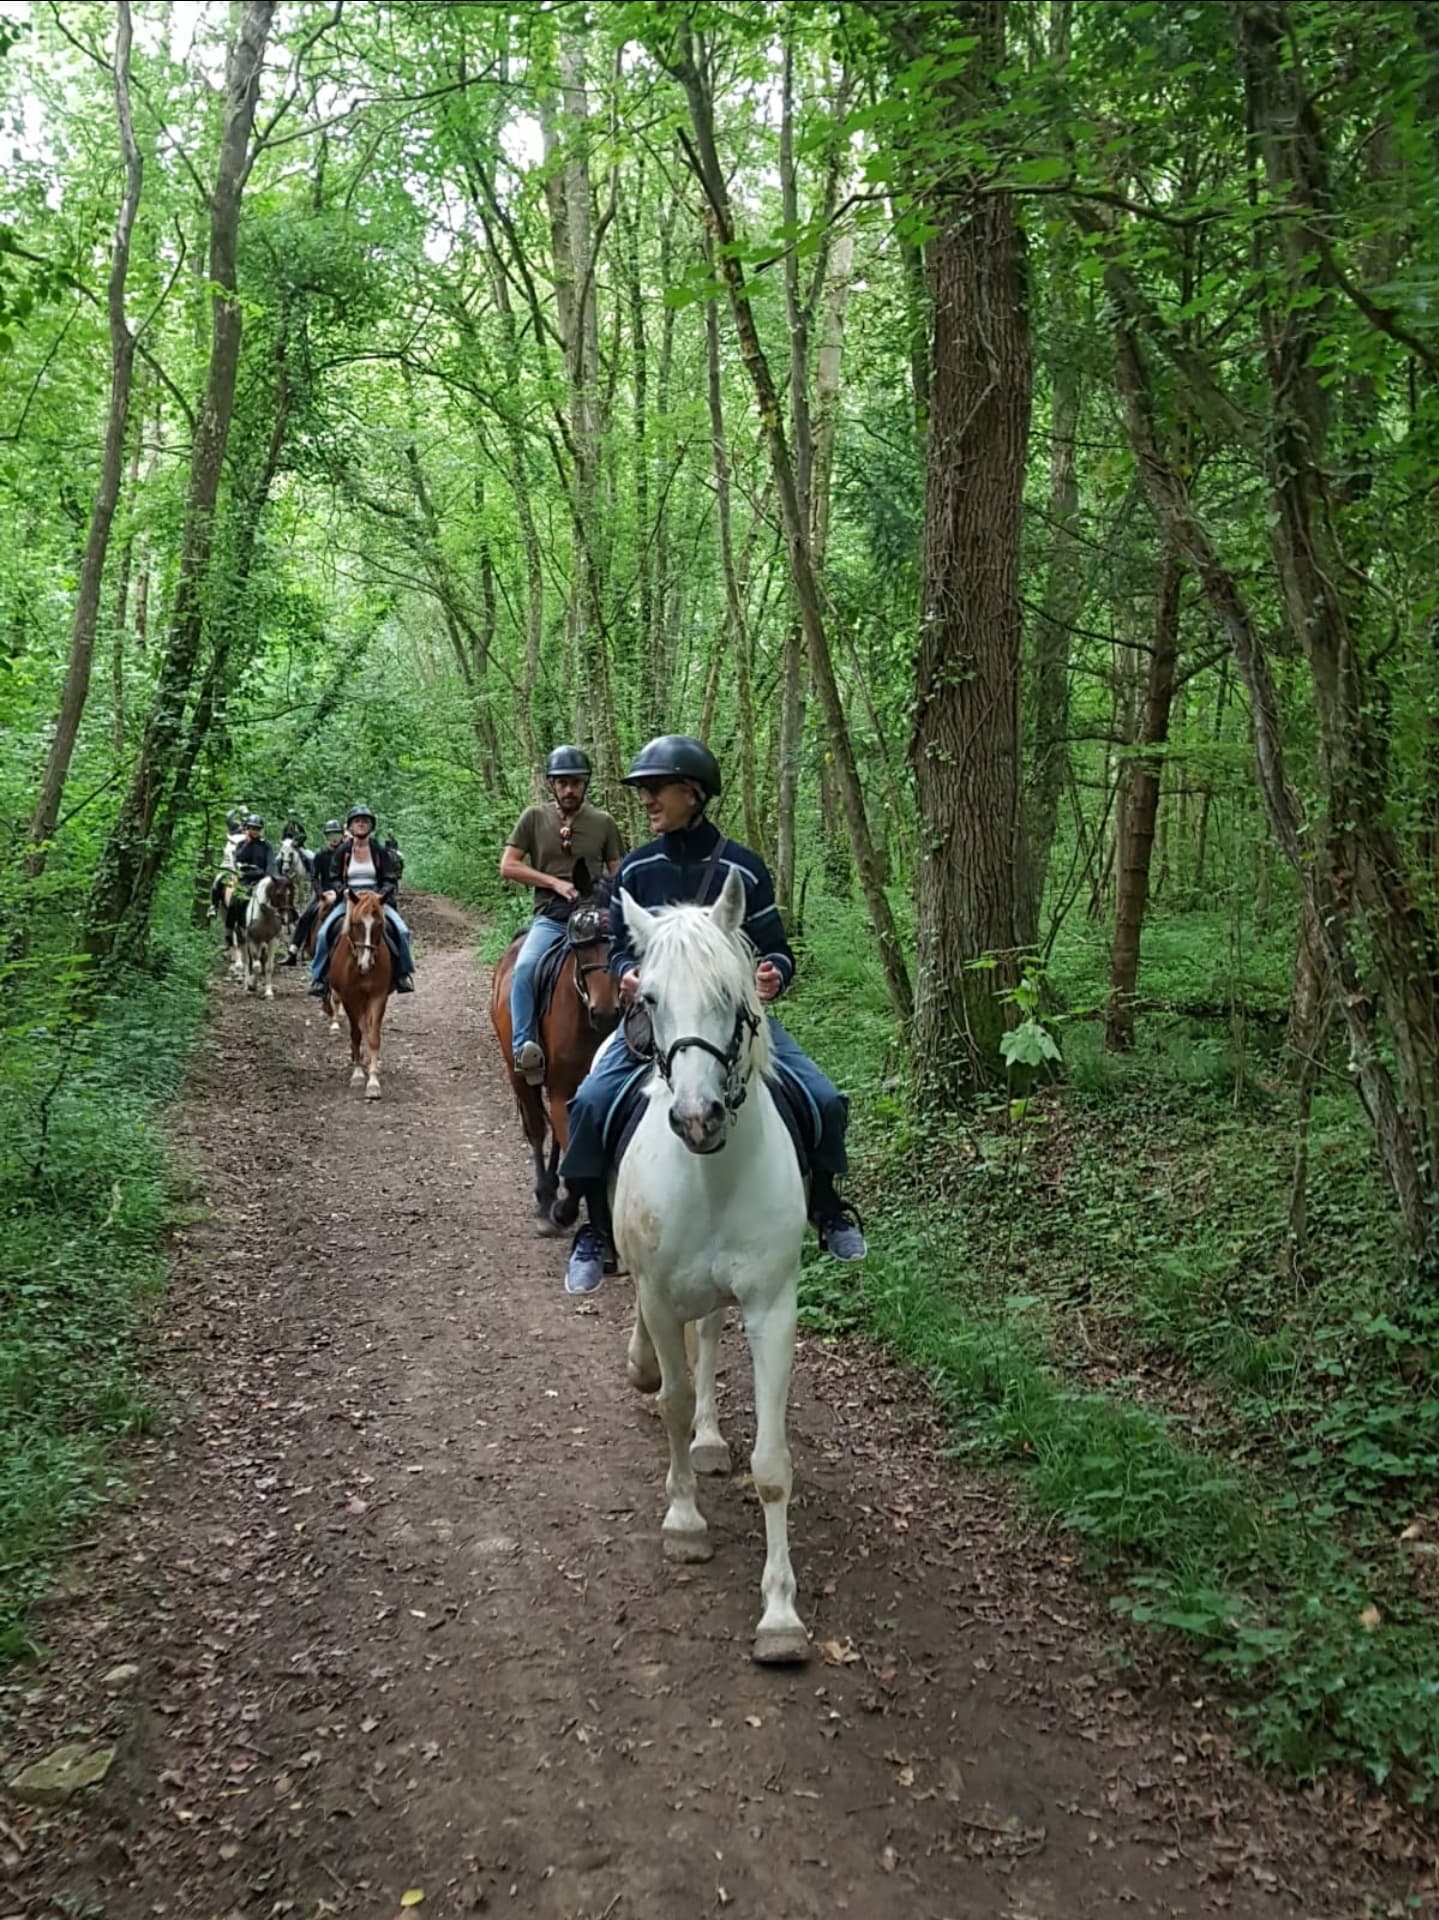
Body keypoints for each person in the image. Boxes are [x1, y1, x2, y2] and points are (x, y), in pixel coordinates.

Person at [557, 734, 866, 1296]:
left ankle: (826, 1204)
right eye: (643, 791)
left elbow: (775, 945)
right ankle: (595, 1229)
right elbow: (624, 946)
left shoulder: (742, 869)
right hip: (657, 1024)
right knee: (590, 1103)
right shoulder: (637, 871)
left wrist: (773, 971)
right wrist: (627, 972)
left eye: (656, 790)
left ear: (693, 794)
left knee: (822, 1097)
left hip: (732, 1023)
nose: (646, 800)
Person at [500, 746, 624, 1085]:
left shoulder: (603, 823)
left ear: (586, 785)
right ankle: (525, 1047)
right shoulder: (534, 818)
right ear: (551, 785)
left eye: (576, 783)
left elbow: (619, 873)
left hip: (596, 921)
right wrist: (553, 882)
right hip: (552, 917)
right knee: (525, 968)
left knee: (630, 971)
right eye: (562, 783)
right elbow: (508, 866)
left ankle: (638, 1045)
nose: (569, 790)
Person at [309, 804, 415, 995]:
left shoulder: (380, 852)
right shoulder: (343, 851)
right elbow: (333, 877)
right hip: (351, 900)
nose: (361, 825)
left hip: (375, 900)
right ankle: (319, 978)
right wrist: (345, 892)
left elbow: (390, 878)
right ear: (350, 826)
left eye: (365, 822)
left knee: (402, 931)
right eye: (357, 821)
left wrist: (381, 895)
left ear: (371, 826)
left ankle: (402, 974)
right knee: (324, 934)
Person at [284, 818, 344, 964]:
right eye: (331, 835)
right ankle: (294, 949)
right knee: (306, 915)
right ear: (327, 837)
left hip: (343, 892)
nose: (334, 838)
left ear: (341, 835)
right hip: (324, 892)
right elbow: (314, 876)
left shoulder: (347, 852)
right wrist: (320, 893)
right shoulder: (321, 854)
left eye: (336, 834)